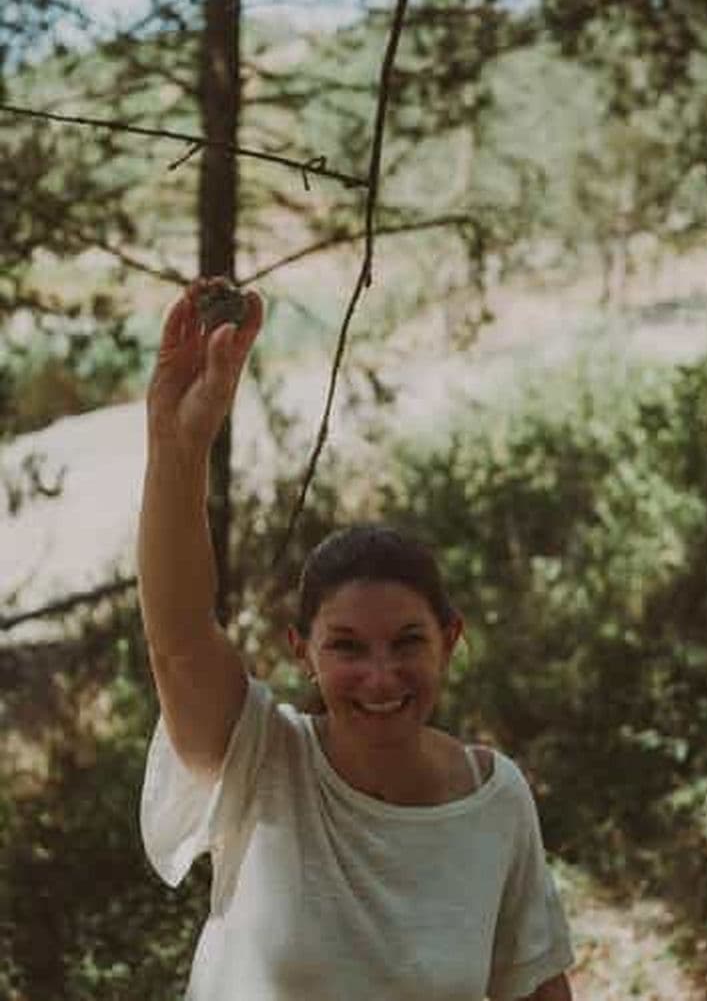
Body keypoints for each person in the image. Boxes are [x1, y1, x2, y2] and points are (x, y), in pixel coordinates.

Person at [137, 279, 575, 1001]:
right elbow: (179, 637)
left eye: (407, 641)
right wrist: (177, 441)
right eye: (346, 646)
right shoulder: (259, 758)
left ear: (450, 637)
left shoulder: (495, 799)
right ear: (300, 648)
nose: (381, 676)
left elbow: (538, 988)